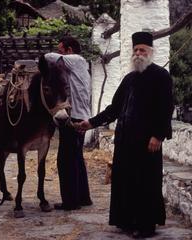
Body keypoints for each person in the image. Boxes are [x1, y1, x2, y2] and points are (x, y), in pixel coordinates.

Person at [75, 32, 174, 238]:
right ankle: (127, 220)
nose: (138, 54)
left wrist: (158, 136)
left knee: (145, 182)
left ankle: (145, 225)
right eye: (136, 50)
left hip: (147, 142)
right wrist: (91, 123)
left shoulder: (161, 76)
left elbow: (166, 108)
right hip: (125, 140)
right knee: (126, 181)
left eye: (142, 50)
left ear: (150, 53)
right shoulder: (129, 78)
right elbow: (114, 108)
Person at [44, 36, 92, 210]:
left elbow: (48, 57)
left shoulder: (75, 60)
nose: (59, 54)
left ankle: (70, 202)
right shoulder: (81, 67)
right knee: (77, 158)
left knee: (65, 160)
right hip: (82, 116)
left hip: (74, 118)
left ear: (69, 51)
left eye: (61, 50)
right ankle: (83, 198)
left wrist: (43, 59)